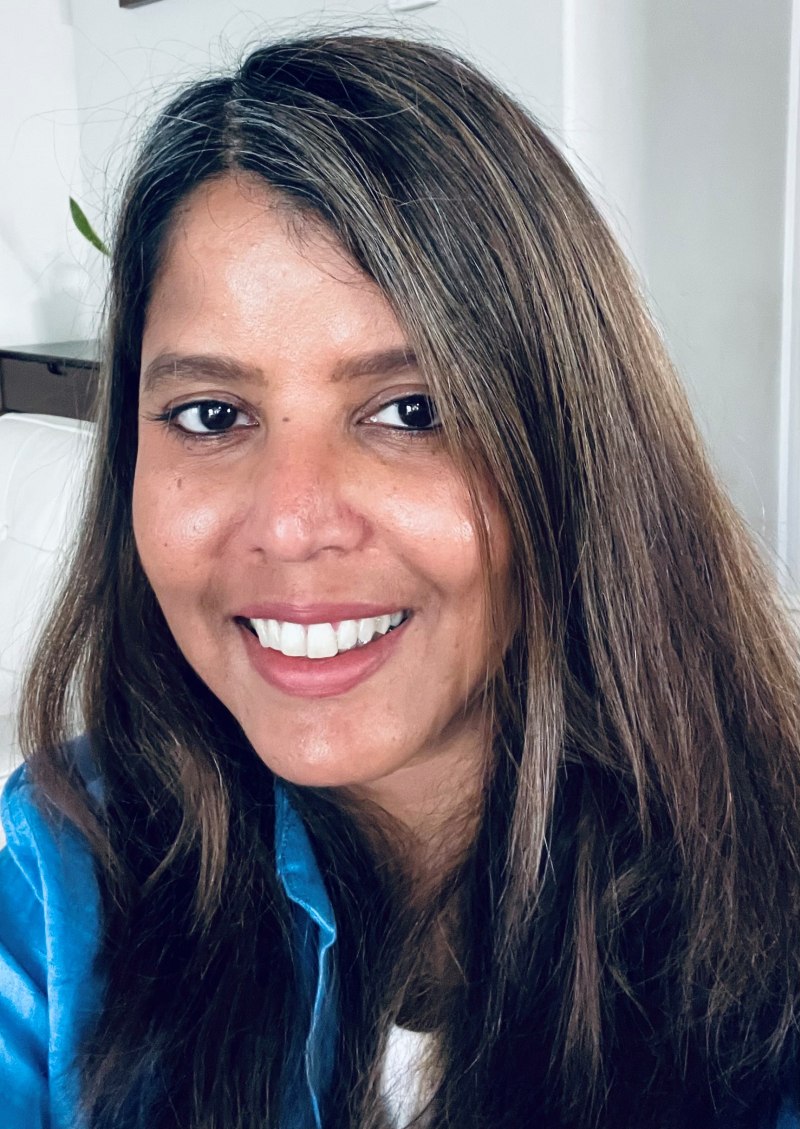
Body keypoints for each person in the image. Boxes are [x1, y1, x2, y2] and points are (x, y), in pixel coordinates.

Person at [2, 30, 800, 1129]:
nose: (290, 523)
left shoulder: (769, 908)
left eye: (409, 411)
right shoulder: (62, 873)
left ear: (570, 451)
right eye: (210, 415)